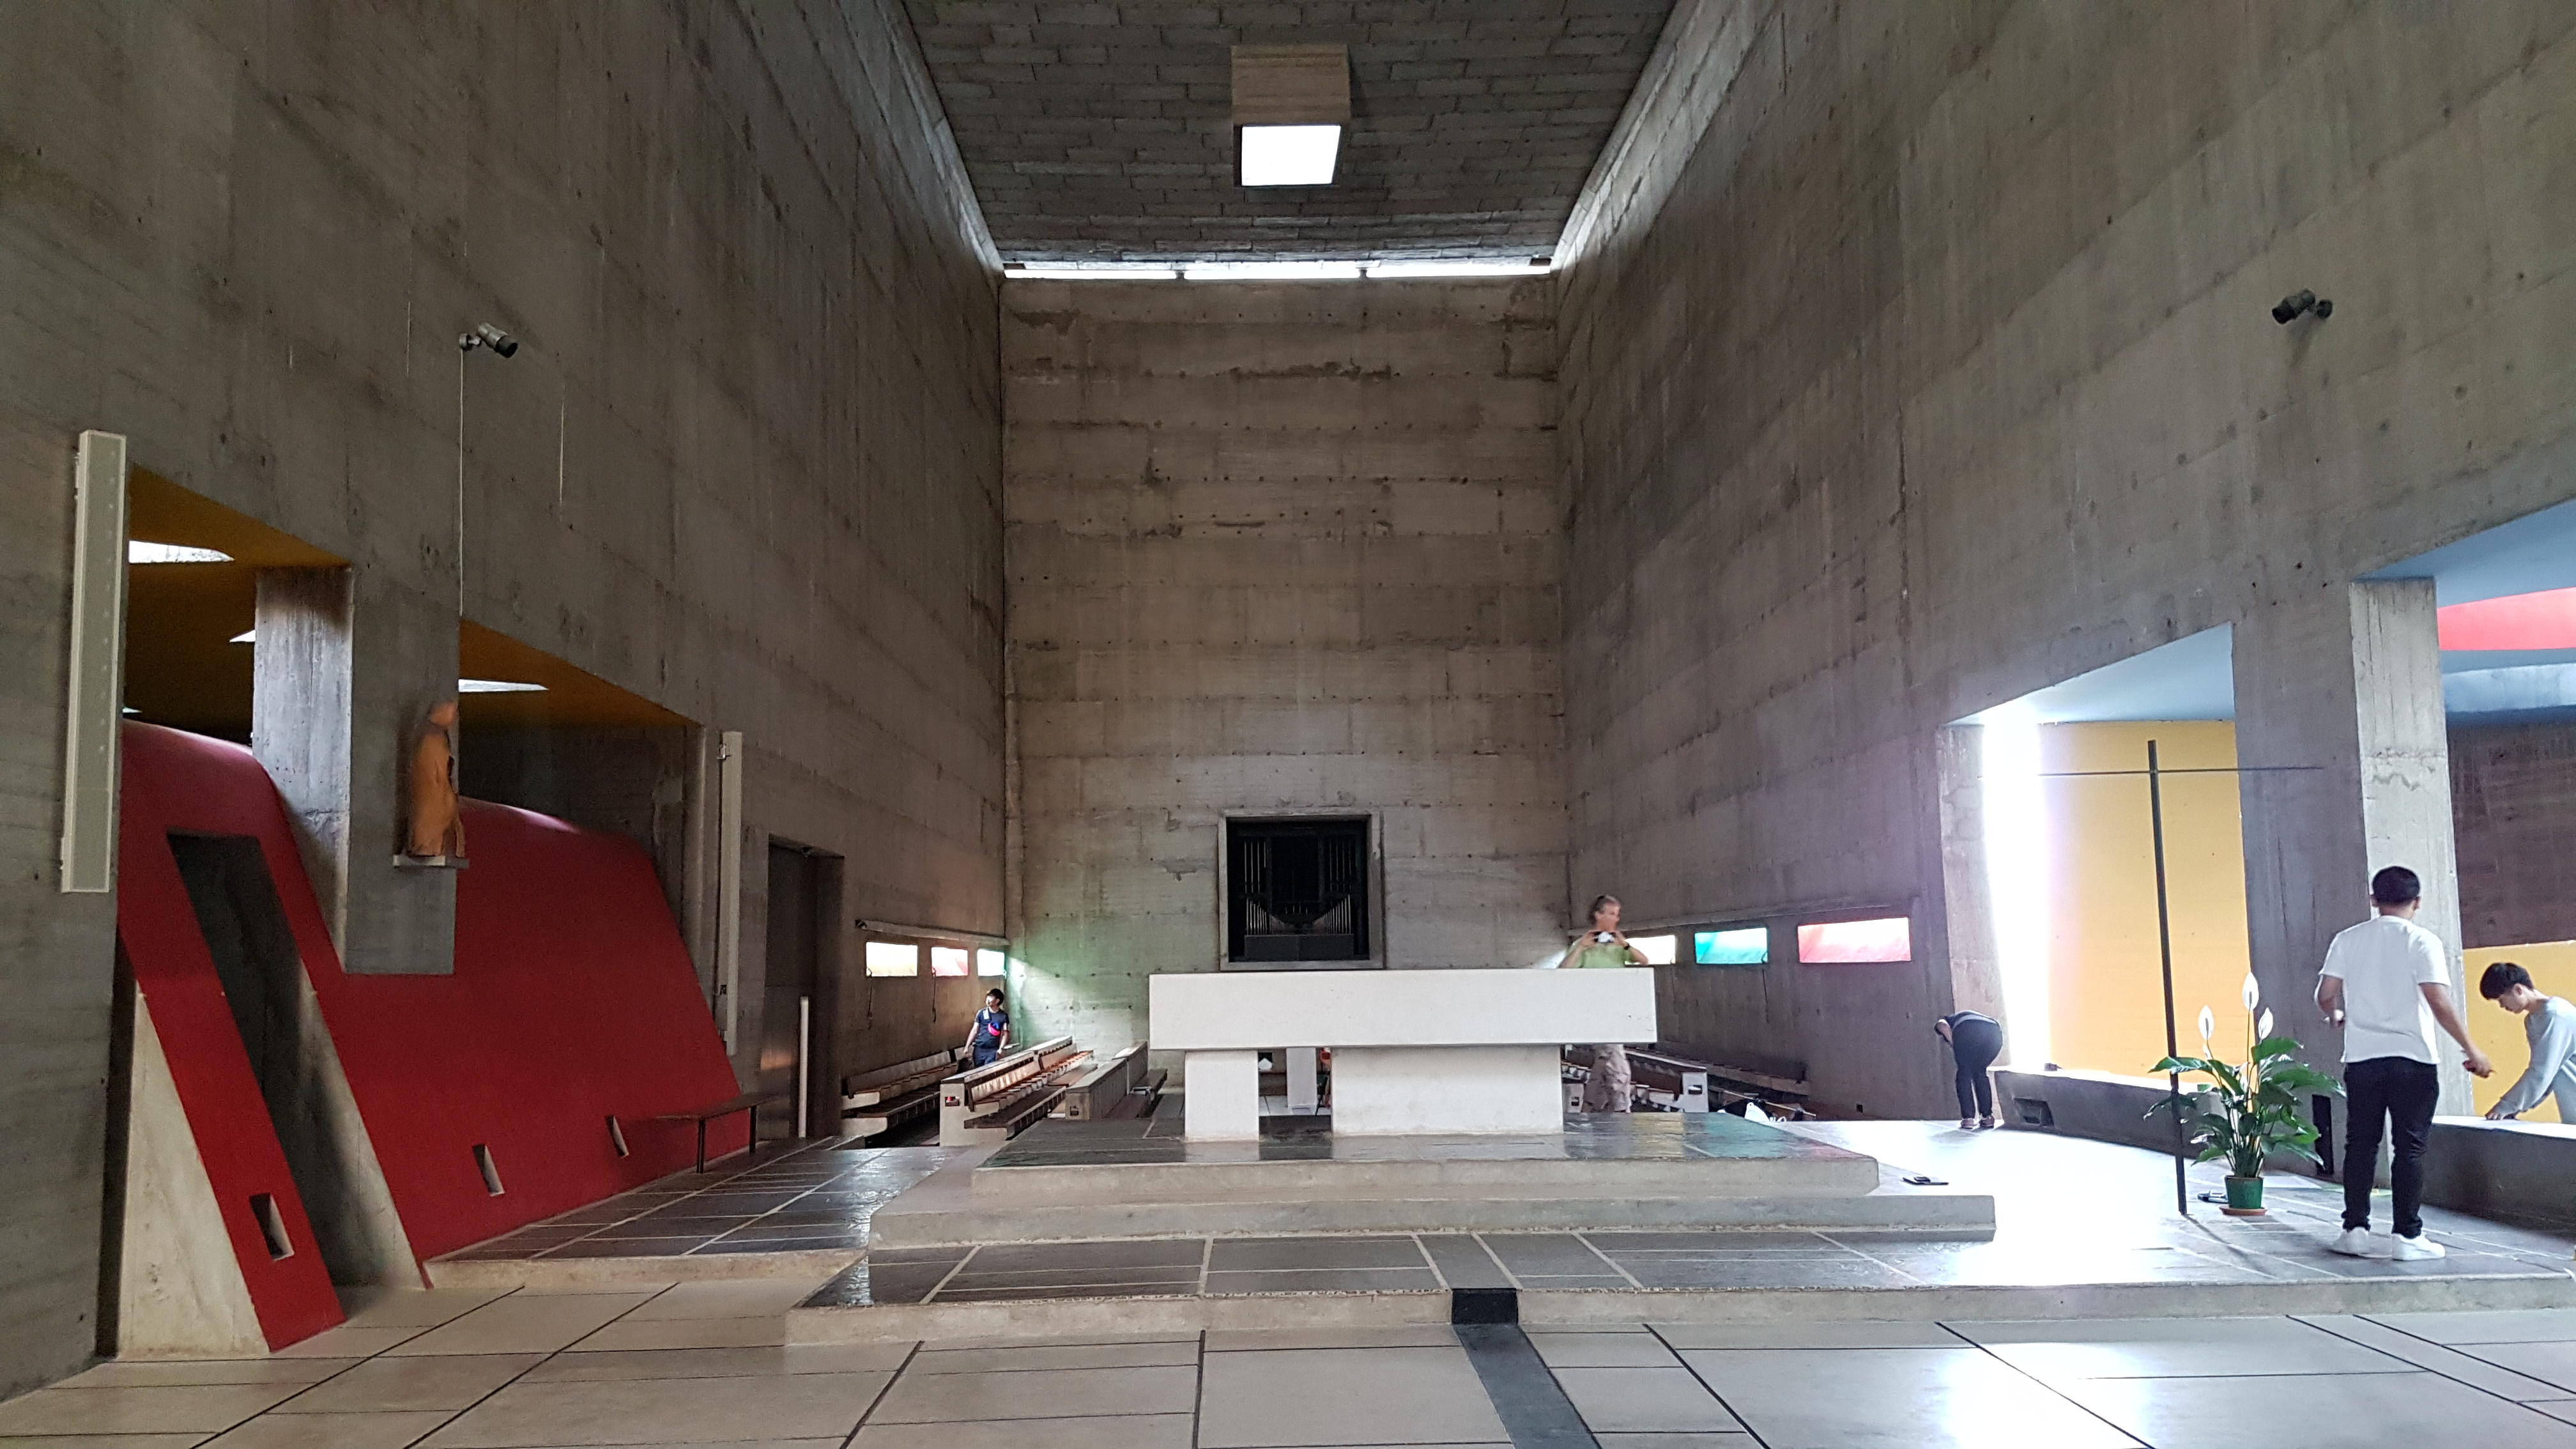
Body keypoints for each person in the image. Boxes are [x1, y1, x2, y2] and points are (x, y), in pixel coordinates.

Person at [2315, 865, 2492, 1261]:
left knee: (2361, 1145)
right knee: (2409, 1148)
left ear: (2374, 900)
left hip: (2363, 1060)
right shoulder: (2422, 941)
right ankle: (2407, 1237)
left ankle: (2355, 1230)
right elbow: (2437, 1000)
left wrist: (2336, 1015)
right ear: (2418, 902)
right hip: (2413, 1059)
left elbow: (2325, 994)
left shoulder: (2347, 940)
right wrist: (2471, 1048)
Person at [1567, 894, 1646, 1112]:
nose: (1616, 919)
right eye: (1611, 914)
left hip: (1617, 1010)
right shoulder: (1582, 946)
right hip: (1596, 1011)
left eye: (1617, 915)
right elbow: (1564, 971)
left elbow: (1644, 961)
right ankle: (1622, 1110)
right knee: (1617, 1065)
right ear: (1598, 915)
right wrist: (1581, 947)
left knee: (1604, 1061)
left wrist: (1625, 944)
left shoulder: (1620, 948)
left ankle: (1595, 1109)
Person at [2480, 961, 2576, 1123]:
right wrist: (2515, 1108)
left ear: (2519, 990)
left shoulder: (2556, 1015)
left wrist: (2507, 1106)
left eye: (2501, 999)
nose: (2502, 1006)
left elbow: (2542, 1072)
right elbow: (2547, 1076)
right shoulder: (2533, 1020)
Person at [1935, 1009, 2002, 1131]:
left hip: (1968, 1030)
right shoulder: (1968, 1015)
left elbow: (1942, 1025)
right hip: (1994, 1032)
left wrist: (1954, 1043)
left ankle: (1968, 1119)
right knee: (1980, 1071)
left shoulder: (1948, 1020)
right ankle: (1987, 1117)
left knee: (1964, 1074)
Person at [966, 988, 1010, 1067]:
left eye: (991, 998)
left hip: (992, 1050)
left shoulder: (1003, 1016)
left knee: (989, 1069)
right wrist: (967, 1047)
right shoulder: (981, 1013)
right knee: (978, 1070)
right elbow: (974, 1030)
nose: (987, 1000)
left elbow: (1005, 1034)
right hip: (979, 1049)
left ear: (997, 1001)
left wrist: (1001, 1049)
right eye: (987, 997)